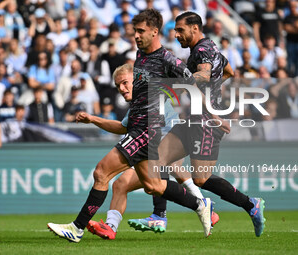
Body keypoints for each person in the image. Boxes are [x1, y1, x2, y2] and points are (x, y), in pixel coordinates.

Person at [47, 9, 227, 242]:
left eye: (141, 31)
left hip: (144, 130)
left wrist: (214, 115)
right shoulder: (140, 56)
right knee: (154, 185)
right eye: (135, 31)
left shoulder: (167, 60)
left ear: (155, 31)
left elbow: (194, 85)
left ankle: (77, 228)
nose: (137, 36)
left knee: (102, 171)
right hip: (138, 127)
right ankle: (200, 205)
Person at [154, 11, 265, 237]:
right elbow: (229, 71)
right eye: (176, 31)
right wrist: (212, 88)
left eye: (180, 30)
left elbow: (203, 74)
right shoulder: (210, 48)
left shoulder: (202, 51)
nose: (176, 35)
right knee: (157, 159)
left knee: (201, 178)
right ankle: (158, 216)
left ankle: (250, 204)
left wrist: (188, 81)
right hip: (194, 119)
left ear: (195, 28)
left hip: (205, 122)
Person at [78, 64, 217, 240]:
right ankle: (112, 226)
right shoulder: (138, 106)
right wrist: (92, 119)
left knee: (165, 170)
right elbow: (122, 127)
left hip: (163, 149)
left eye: (125, 83)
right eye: (118, 85)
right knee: (122, 185)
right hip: (155, 151)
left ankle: (188, 209)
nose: (122, 88)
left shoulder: (152, 96)